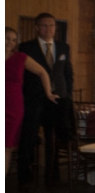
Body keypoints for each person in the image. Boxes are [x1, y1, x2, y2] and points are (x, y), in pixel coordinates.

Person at [17, 12, 74, 189]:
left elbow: (67, 73)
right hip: (34, 98)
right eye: (44, 25)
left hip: (58, 98)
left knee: (55, 137)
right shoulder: (26, 47)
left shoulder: (63, 47)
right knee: (29, 136)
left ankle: (53, 173)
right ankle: (25, 175)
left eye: (51, 25)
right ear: (36, 28)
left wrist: (67, 95)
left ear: (55, 28)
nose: (48, 29)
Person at [6, 27, 58, 174]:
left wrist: (48, 93)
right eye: (7, 38)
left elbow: (42, 72)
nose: (10, 42)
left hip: (13, 106)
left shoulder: (20, 57)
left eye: (13, 40)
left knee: (7, 146)